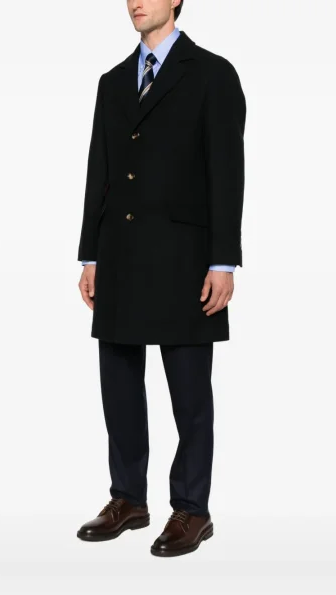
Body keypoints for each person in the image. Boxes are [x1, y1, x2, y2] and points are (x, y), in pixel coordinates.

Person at [76, 0, 246, 558]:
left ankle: (192, 508)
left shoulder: (213, 74)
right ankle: (127, 498)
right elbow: (100, 170)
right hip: (120, 253)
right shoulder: (112, 81)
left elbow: (227, 171)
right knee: (119, 384)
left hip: (185, 257)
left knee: (190, 393)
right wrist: (90, 255)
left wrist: (223, 262)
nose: (135, 1)